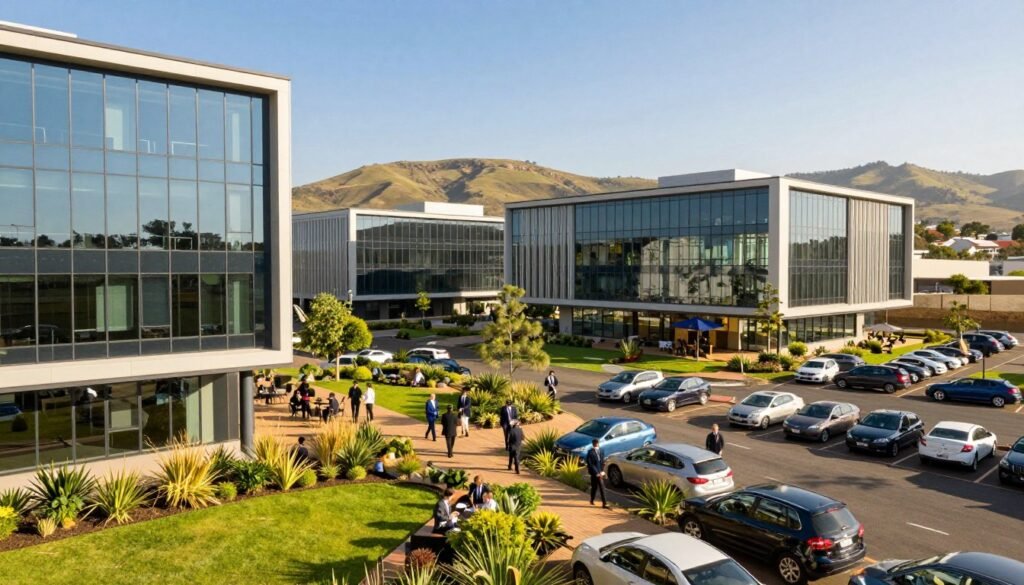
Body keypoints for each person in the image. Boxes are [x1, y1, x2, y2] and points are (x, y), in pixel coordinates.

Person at [586, 438, 607, 507]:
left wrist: (602, 471)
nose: (596, 444)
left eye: (597, 443)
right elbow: (590, 464)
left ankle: (604, 503)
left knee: (599, 487)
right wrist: (596, 473)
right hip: (594, 473)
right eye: (595, 443)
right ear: (593, 444)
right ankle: (593, 500)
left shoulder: (601, 450)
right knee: (597, 487)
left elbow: (602, 462)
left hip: (600, 472)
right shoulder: (590, 452)